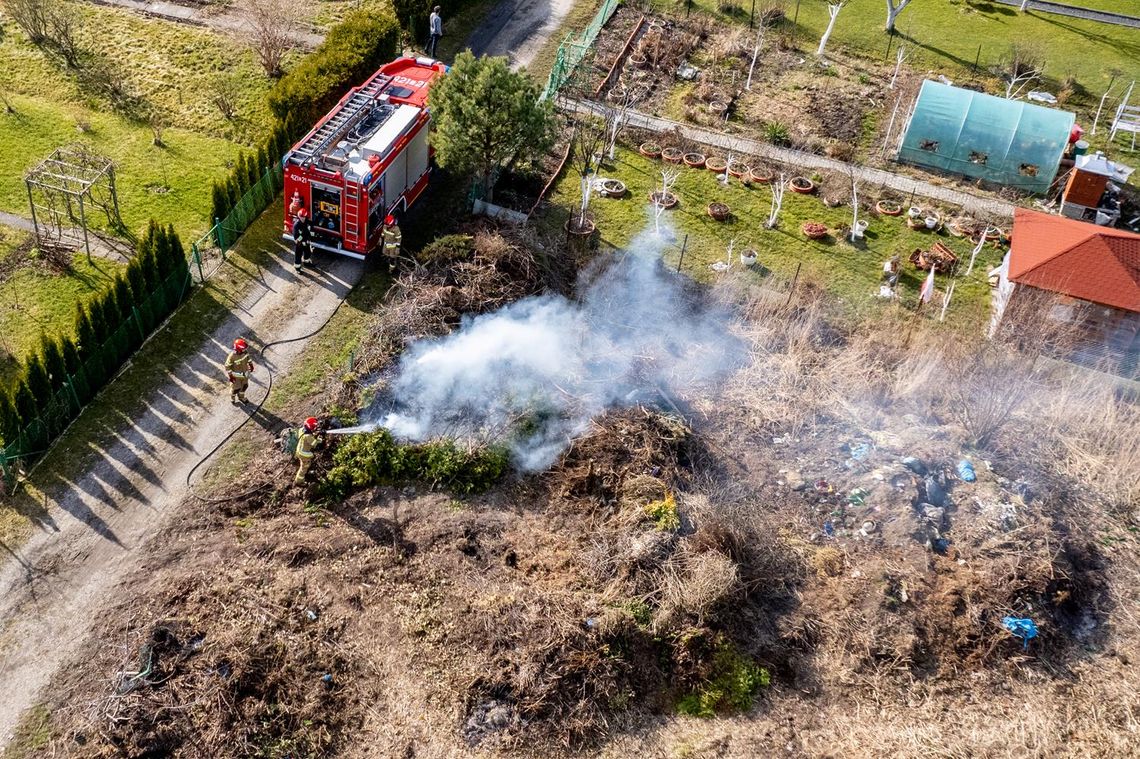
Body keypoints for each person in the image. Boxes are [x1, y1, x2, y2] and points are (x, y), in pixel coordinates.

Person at [224, 338, 255, 404]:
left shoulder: (245, 352)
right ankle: (232, 397)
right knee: (236, 389)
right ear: (238, 349)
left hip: (245, 374)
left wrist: (251, 364)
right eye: (243, 349)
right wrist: (231, 376)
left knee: (244, 386)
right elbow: (227, 366)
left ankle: (241, 397)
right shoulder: (232, 356)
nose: (245, 350)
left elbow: (248, 358)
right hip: (236, 376)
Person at [294, 416, 323, 484]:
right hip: (303, 453)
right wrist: (320, 437)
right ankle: (299, 481)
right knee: (304, 467)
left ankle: (306, 472)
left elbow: (312, 434)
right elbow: (316, 444)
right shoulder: (308, 437)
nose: (315, 428)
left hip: (299, 449)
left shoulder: (302, 430)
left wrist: (317, 433)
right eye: (314, 427)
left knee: (304, 464)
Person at [292, 208, 313, 272]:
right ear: (299, 216)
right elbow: (296, 237)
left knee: (307, 252)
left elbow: (311, 229)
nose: (303, 218)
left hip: (307, 241)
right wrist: (301, 241)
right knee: (298, 255)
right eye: (302, 217)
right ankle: (297, 267)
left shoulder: (307, 221)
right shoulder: (296, 225)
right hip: (300, 243)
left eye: (304, 217)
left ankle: (306, 262)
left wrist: (310, 239)